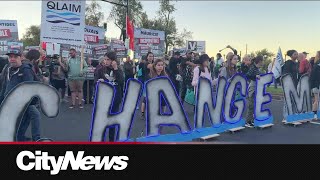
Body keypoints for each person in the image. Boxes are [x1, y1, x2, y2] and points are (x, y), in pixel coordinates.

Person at [0, 48, 41, 141]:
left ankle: (31, 138)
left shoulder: (25, 70)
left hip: (22, 102)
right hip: (10, 101)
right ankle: (22, 137)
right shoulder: (8, 69)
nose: (12, 59)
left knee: (32, 116)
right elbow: (4, 86)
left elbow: (29, 87)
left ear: (21, 58)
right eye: (10, 57)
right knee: (27, 119)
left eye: (15, 57)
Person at [96, 51, 124, 142]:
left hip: (115, 99)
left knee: (112, 121)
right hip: (104, 99)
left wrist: (115, 68)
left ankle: (111, 140)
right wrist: (99, 82)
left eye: (108, 60)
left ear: (113, 61)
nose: (106, 61)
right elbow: (95, 81)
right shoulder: (101, 69)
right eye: (105, 59)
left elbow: (121, 81)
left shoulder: (118, 70)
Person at [245, 55, 264, 127]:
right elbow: (248, 75)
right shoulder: (253, 67)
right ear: (259, 61)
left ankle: (251, 120)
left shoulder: (257, 68)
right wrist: (255, 77)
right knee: (251, 105)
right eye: (262, 61)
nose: (263, 63)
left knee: (254, 105)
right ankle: (247, 121)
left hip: (256, 87)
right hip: (252, 87)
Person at [282, 50, 299, 122]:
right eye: (295, 54)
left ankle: (292, 115)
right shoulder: (288, 63)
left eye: (297, 54)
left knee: (293, 101)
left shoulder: (296, 63)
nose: (297, 55)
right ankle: (285, 117)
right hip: (288, 85)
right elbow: (285, 74)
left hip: (295, 84)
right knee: (287, 101)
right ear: (291, 55)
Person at [140, 52, 154, 119]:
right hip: (147, 82)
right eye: (150, 56)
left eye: (152, 56)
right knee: (145, 98)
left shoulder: (152, 63)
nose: (151, 57)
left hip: (153, 82)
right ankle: (142, 113)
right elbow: (152, 67)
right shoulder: (146, 63)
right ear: (147, 57)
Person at [310, 51, 320, 119]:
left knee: (316, 100)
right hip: (317, 85)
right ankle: (314, 114)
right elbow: (313, 77)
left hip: (316, 85)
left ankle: (314, 114)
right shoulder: (317, 65)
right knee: (317, 100)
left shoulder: (316, 64)